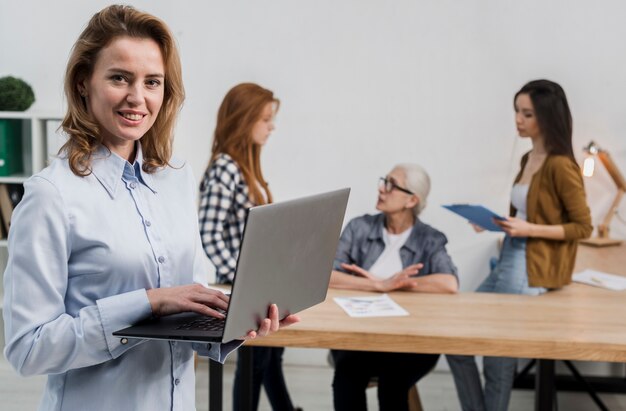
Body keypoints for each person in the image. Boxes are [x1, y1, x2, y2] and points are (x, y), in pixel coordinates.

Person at [2, 6, 298, 411]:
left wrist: (235, 323)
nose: (137, 97)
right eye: (119, 77)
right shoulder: (51, 196)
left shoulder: (174, 181)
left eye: (152, 81)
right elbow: (27, 349)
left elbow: (189, 306)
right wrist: (146, 303)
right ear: (84, 83)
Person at [446, 79, 593, 411]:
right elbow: (528, 213)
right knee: (456, 339)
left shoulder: (561, 165)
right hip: (511, 255)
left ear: (547, 117)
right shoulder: (529, 158)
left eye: (527, 113)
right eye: (517, 111)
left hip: (530, 266)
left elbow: (582, 227)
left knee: (498, 355)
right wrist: (496, 224)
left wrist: (528, 228)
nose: (518, 119)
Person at [198, 83, 300, 411]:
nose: (272, 126)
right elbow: (209, 235)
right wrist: (243, 279)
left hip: (258, 283)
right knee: (255, 360)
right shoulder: (225, 169)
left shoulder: (246, 168)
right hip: (239, 286)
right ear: (244, 120)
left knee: (269, 355)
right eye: (266, 119)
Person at [329, 163, 458, 411]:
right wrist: (377, 284)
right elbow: (327, 275)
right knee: (346, 377)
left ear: (412, 200)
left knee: (393, 382)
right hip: (360, 338)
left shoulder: (429, 238)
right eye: (383, 181)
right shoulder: (359, 228)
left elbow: (449, 282)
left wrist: (396, 285)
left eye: (391, 184)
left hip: (410, 341)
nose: (381, 189)